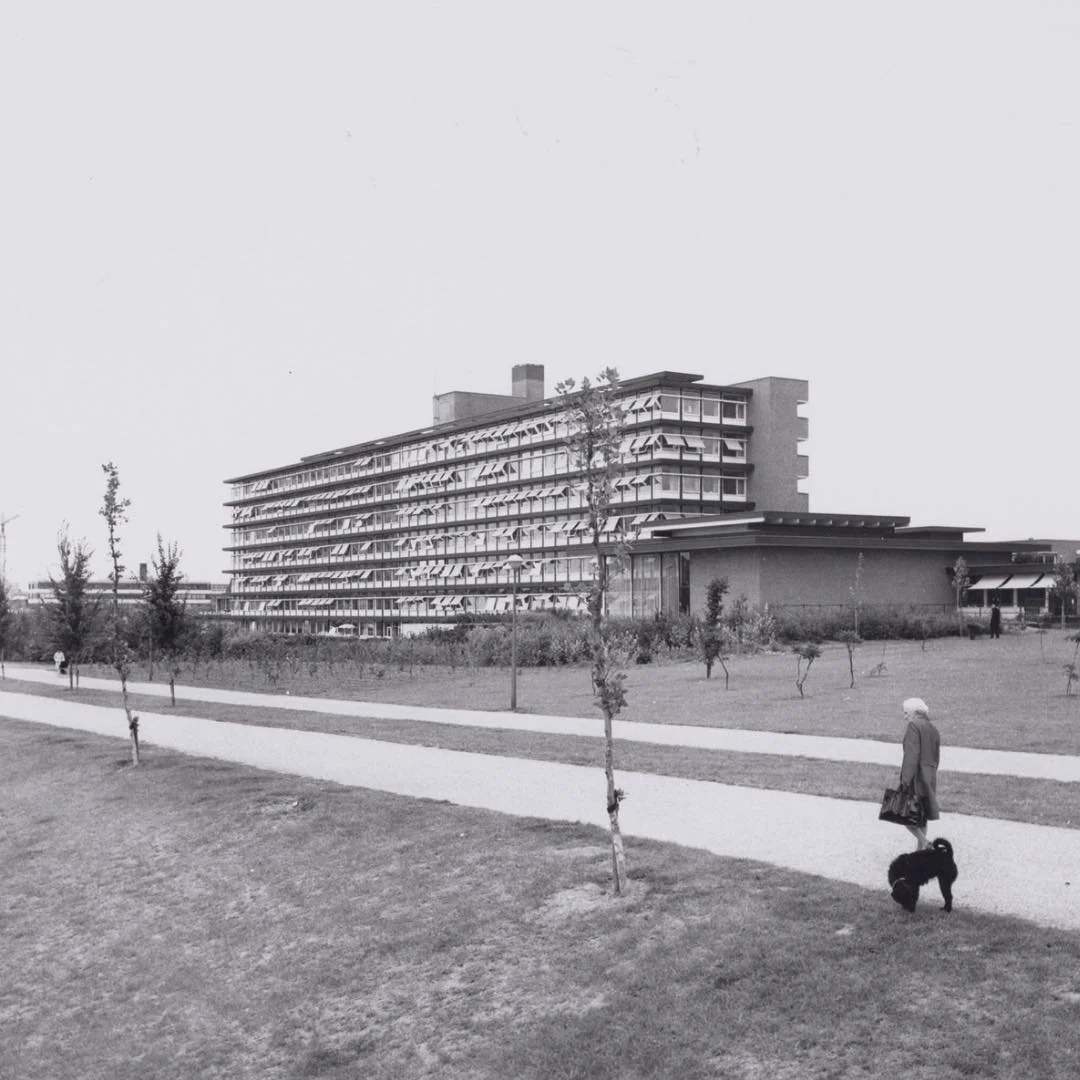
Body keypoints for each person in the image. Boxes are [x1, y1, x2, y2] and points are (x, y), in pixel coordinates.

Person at [899, 697, 940, 850]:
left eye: (906, 713)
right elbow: (936, 756)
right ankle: (920, 852)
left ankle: (925, 843)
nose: (905, 716)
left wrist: (905, 779)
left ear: (916, 712)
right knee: (922, 817)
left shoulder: (913, 726)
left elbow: (911, 755)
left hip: (915, 778)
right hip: (929, 777)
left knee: (903, 815)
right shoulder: (932, 728)